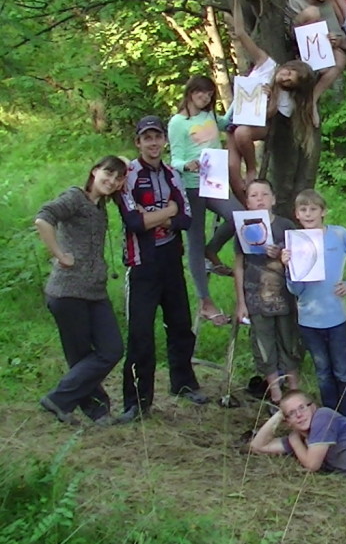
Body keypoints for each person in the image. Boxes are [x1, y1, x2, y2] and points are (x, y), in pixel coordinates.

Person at [116, 116, 207, 423]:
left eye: (157, 137)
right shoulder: (128, 174)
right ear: (138, 142)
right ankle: (136, 402)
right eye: (147, 138)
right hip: (142, 262)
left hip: (170, 258)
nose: (153, 143)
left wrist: (158, 217)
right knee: (140, 333)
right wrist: (168, 211)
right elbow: (133, 222)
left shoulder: (171, 174)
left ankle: (183, 383)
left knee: (180, 325)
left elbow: (186, 218)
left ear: (164, 141)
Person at [34, 156, 128, 426]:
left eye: (118, 178)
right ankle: (93, 410)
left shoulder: (101, 206)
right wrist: (59, 254)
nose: (111, 180)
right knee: (81, 356)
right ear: (94, 171)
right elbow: (43, 218)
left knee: (111, 349)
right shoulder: (75, 197)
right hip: (68, 292)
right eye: (107, 173)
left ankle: (63, 401)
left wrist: (124, 167)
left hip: (95, 292)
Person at [280, 189, 346, 420]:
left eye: (313, 209)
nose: (308, 214)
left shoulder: (338, 235)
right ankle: (330, 418)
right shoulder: (295, 243)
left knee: (342, 371)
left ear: (323, 212)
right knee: (323, 372)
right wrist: (288, 268)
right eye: (303, 209)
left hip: (336, 317)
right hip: (309, 319)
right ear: (296, 214)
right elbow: (295, 290)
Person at [226, 0, 315, 203]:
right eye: (288, 72)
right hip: (234, 119)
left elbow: (268, 116)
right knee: (231, 169)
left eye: (290, 81)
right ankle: (247, 209)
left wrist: (271, 97)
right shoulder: (267, 65)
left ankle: (252, 168)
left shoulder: (287, 98)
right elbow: (240, 33)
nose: (284, 78)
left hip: (256, 125)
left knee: (242, 134)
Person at [168, 75, 244, 325]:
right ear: (190, 92)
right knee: (195, 241)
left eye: (210, 94)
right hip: (192, 185)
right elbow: (175, 159)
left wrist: (242, 95)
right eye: (201, 92)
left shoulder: (209, 115)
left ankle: (212, 249)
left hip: (214, 181)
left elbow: (225, 123)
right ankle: (205, 302)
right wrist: (187, 165)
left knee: (238, 217)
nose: (205, 97)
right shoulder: (178, 123)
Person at [233, 179, 302, 406]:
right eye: (254, 195)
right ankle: (276, 395)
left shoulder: (286, 226)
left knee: (289, 344)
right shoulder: (243, 228)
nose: (260, 199)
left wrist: (281, 255)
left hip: (285, 297)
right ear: (247, 202)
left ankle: (295, 392)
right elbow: (239, 266)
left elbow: (301, 260)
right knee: (264, 345)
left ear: (273, 199)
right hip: (256, 299)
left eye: (264, 194)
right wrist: (241, 302)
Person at [288, 0, 346, 120]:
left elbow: (344, 41)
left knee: (341, 59)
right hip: (286, 29)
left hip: (306, 43)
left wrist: (336, 40)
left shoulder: (327, 7)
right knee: (313, 12)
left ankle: (313, 99)